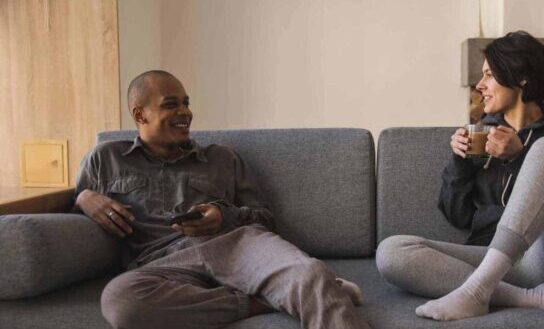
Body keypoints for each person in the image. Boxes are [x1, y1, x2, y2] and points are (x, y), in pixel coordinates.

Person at [74, 70, 370, 329]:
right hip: (164, 263)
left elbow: (265, 218)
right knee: (120, 300)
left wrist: (223, 214)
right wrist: (84, 198)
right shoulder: (105, 158)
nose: (185, 112)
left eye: (186, 103)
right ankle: (262, 302)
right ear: (140, 115)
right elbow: (72, 208)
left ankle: (306, 291)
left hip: (238, 245)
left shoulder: (221, 158)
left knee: (311, 273)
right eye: (171, 104)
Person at [375, 31, 544, 321]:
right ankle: (530, 298)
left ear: (521, 77)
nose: (479, 85)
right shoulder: (480, 134)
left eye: (489, 75)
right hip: (496, 262)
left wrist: (520, 155)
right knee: (392, 251)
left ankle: (476, 292)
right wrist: (459, 161)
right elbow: (458, 216)